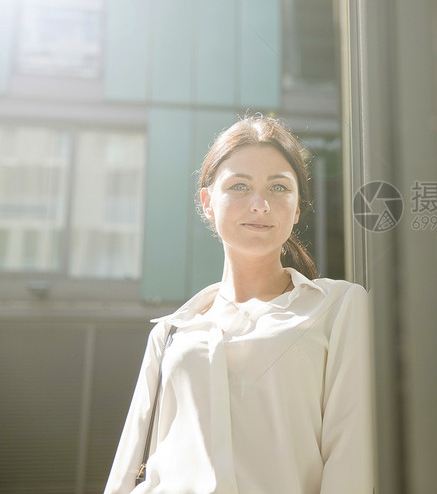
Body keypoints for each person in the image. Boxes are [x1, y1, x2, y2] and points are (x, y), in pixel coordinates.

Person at [105, 115, 373, 494]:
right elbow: (127, 468)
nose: (260, 204)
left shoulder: (339, 307)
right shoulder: (171, 332)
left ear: (297, 209)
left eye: (279, 187)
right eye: (239, 186)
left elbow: (351, 463)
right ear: (208, 202)